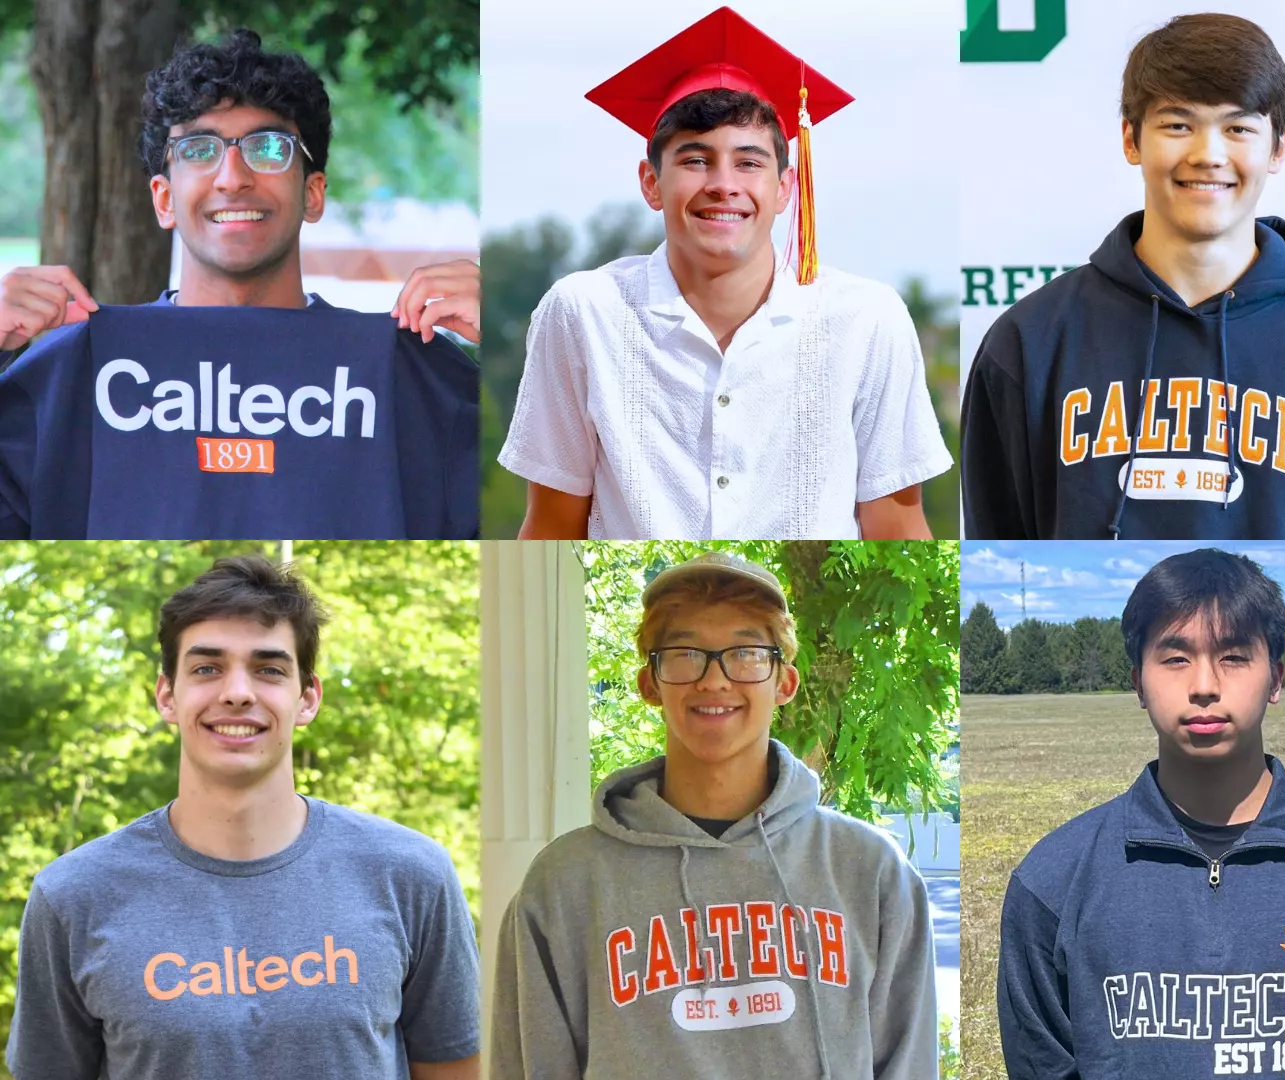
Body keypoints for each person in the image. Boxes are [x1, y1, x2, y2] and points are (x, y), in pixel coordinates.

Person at [5, 555, 481, 1079]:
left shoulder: (411, 875)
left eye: (269, 669)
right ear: (167, 695)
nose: (237, 692)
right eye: (207, 668)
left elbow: (453, 1068)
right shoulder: (73, 896)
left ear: (307, 698)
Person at [0, 29, 479, 539]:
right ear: (163, 199)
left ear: (313, 193)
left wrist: (518, 350)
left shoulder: (410, 374)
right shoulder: (70, 371)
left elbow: (538, 514)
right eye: (200, 149)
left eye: (269, 148)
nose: (232, 177)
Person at [499, 7, 951, 540]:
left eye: (749, 163)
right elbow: (554, 525)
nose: (723, 184)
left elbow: (896, 524)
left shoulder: (866, 319)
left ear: (786, 186)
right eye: (695, 160)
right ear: (651, 182)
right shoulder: (584, 312)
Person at [959, 14, 1285, 540]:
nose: (1208, 155)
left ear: (1279, 147)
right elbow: (996, 554)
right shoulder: (1029, 342)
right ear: (1131, 139)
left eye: (1238, 128)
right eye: (1178, 125)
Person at [491, 552, 938, 1078]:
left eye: (746, 653)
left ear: (784, 683)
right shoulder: (564, 883)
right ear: (649, 684)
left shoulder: (870, 870)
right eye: (685, 654)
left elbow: (908, 1064)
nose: (714, 679)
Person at [997, 549, 1285, 1078]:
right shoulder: (1052, 883)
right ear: (1138, 682)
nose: (1203, 685)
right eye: (1176, 658)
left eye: (1233, 657)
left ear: (1275, 678)